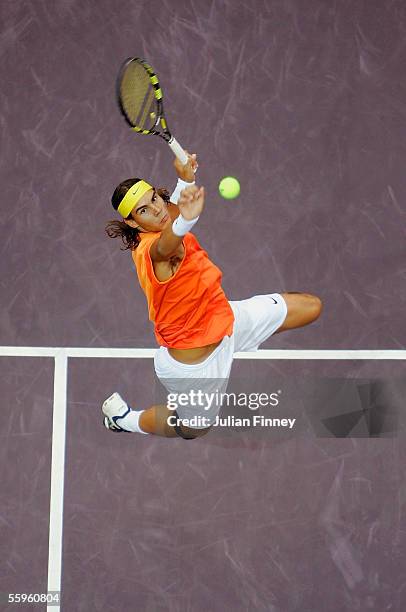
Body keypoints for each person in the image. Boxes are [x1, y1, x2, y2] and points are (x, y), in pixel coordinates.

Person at [103, 153, 322, 440]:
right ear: (133, 223)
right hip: (196, 368)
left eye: (154, 199)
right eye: (143, 211)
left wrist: (185, 178)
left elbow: (171, 212)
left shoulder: (161, 216)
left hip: (225, 320)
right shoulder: (152, 252)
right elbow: (166, 246)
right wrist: (185, 221)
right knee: (193, 429)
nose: (156, 210)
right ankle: (124, 419)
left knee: (311, 307)